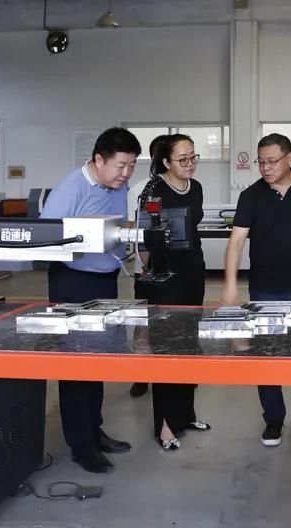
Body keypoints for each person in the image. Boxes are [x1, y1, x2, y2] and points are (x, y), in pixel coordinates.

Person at [39, 127, 140, 474]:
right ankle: (81, 446)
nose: (125, 174)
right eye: (120, 166)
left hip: (105, 280)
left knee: (97, 361)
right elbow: (45, 236)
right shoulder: (71, 188)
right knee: (75, 366)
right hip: (74, 283)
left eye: (131, 166)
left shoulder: (118, 184)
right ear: (99, 160)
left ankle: (94, 430)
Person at [223, 133, 291, 448]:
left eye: (272, 161)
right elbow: (236, 241)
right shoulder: (251, 196)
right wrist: (230, 285)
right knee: (267, 355)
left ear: (290, 158)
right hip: (265, 290)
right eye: (261, 162)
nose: (266, 168)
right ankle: (273, 418)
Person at [138, 134, 212, 450]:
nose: (190, 163)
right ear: (166, 162)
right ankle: (166, 425)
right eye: (183, 159)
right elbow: (144, 238)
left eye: (193, 157)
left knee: (189, 343)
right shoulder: (153, 191)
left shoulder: (196, 188)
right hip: (166, 277)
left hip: (193, 270)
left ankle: (185, 414)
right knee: (167, 347)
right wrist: (149, 275)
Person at [128, 133, 170, 399]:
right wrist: (146, 264)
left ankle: (177, 373)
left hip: (176, 270)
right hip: (145, 270)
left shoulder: (188, 187)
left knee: (176, 322)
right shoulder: (139, 190)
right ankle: (142, 374)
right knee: (143, 322)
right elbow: (134, 230)